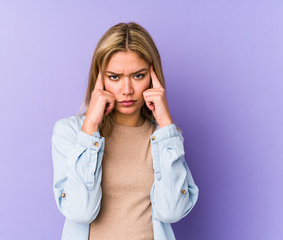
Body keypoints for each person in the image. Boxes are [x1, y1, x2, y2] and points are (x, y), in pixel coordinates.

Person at [51, 22, 199, 240]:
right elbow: (80, 212)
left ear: (153, 76)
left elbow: (172, 212)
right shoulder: (71, 133)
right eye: (114, 77)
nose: (127, 90)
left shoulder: (166, 137)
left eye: (138, 75)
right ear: (99, 78)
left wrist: (166, 125)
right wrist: (90, 128)